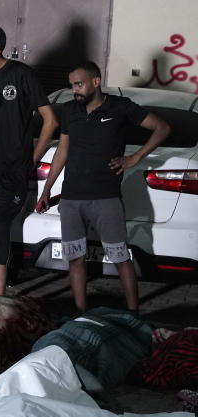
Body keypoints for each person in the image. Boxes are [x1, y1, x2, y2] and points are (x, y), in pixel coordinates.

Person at [37, 61, 169, 314]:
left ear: (96, 81)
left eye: (79, 84)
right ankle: (79, 312)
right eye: (71, 85)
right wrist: (47, 190)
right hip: (72, 198)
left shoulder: (120, 107)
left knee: (120, 257)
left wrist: (135, 158)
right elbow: (62, 150)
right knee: (74, 258)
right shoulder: (69, 110)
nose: (74, 90)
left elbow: (162, 128)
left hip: (105, 198)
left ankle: (133, 314)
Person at [0, 24, 57, 297]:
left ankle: (0, 294)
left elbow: (50, 121)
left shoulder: (22, 75)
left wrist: (32, 158)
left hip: (13, 170)